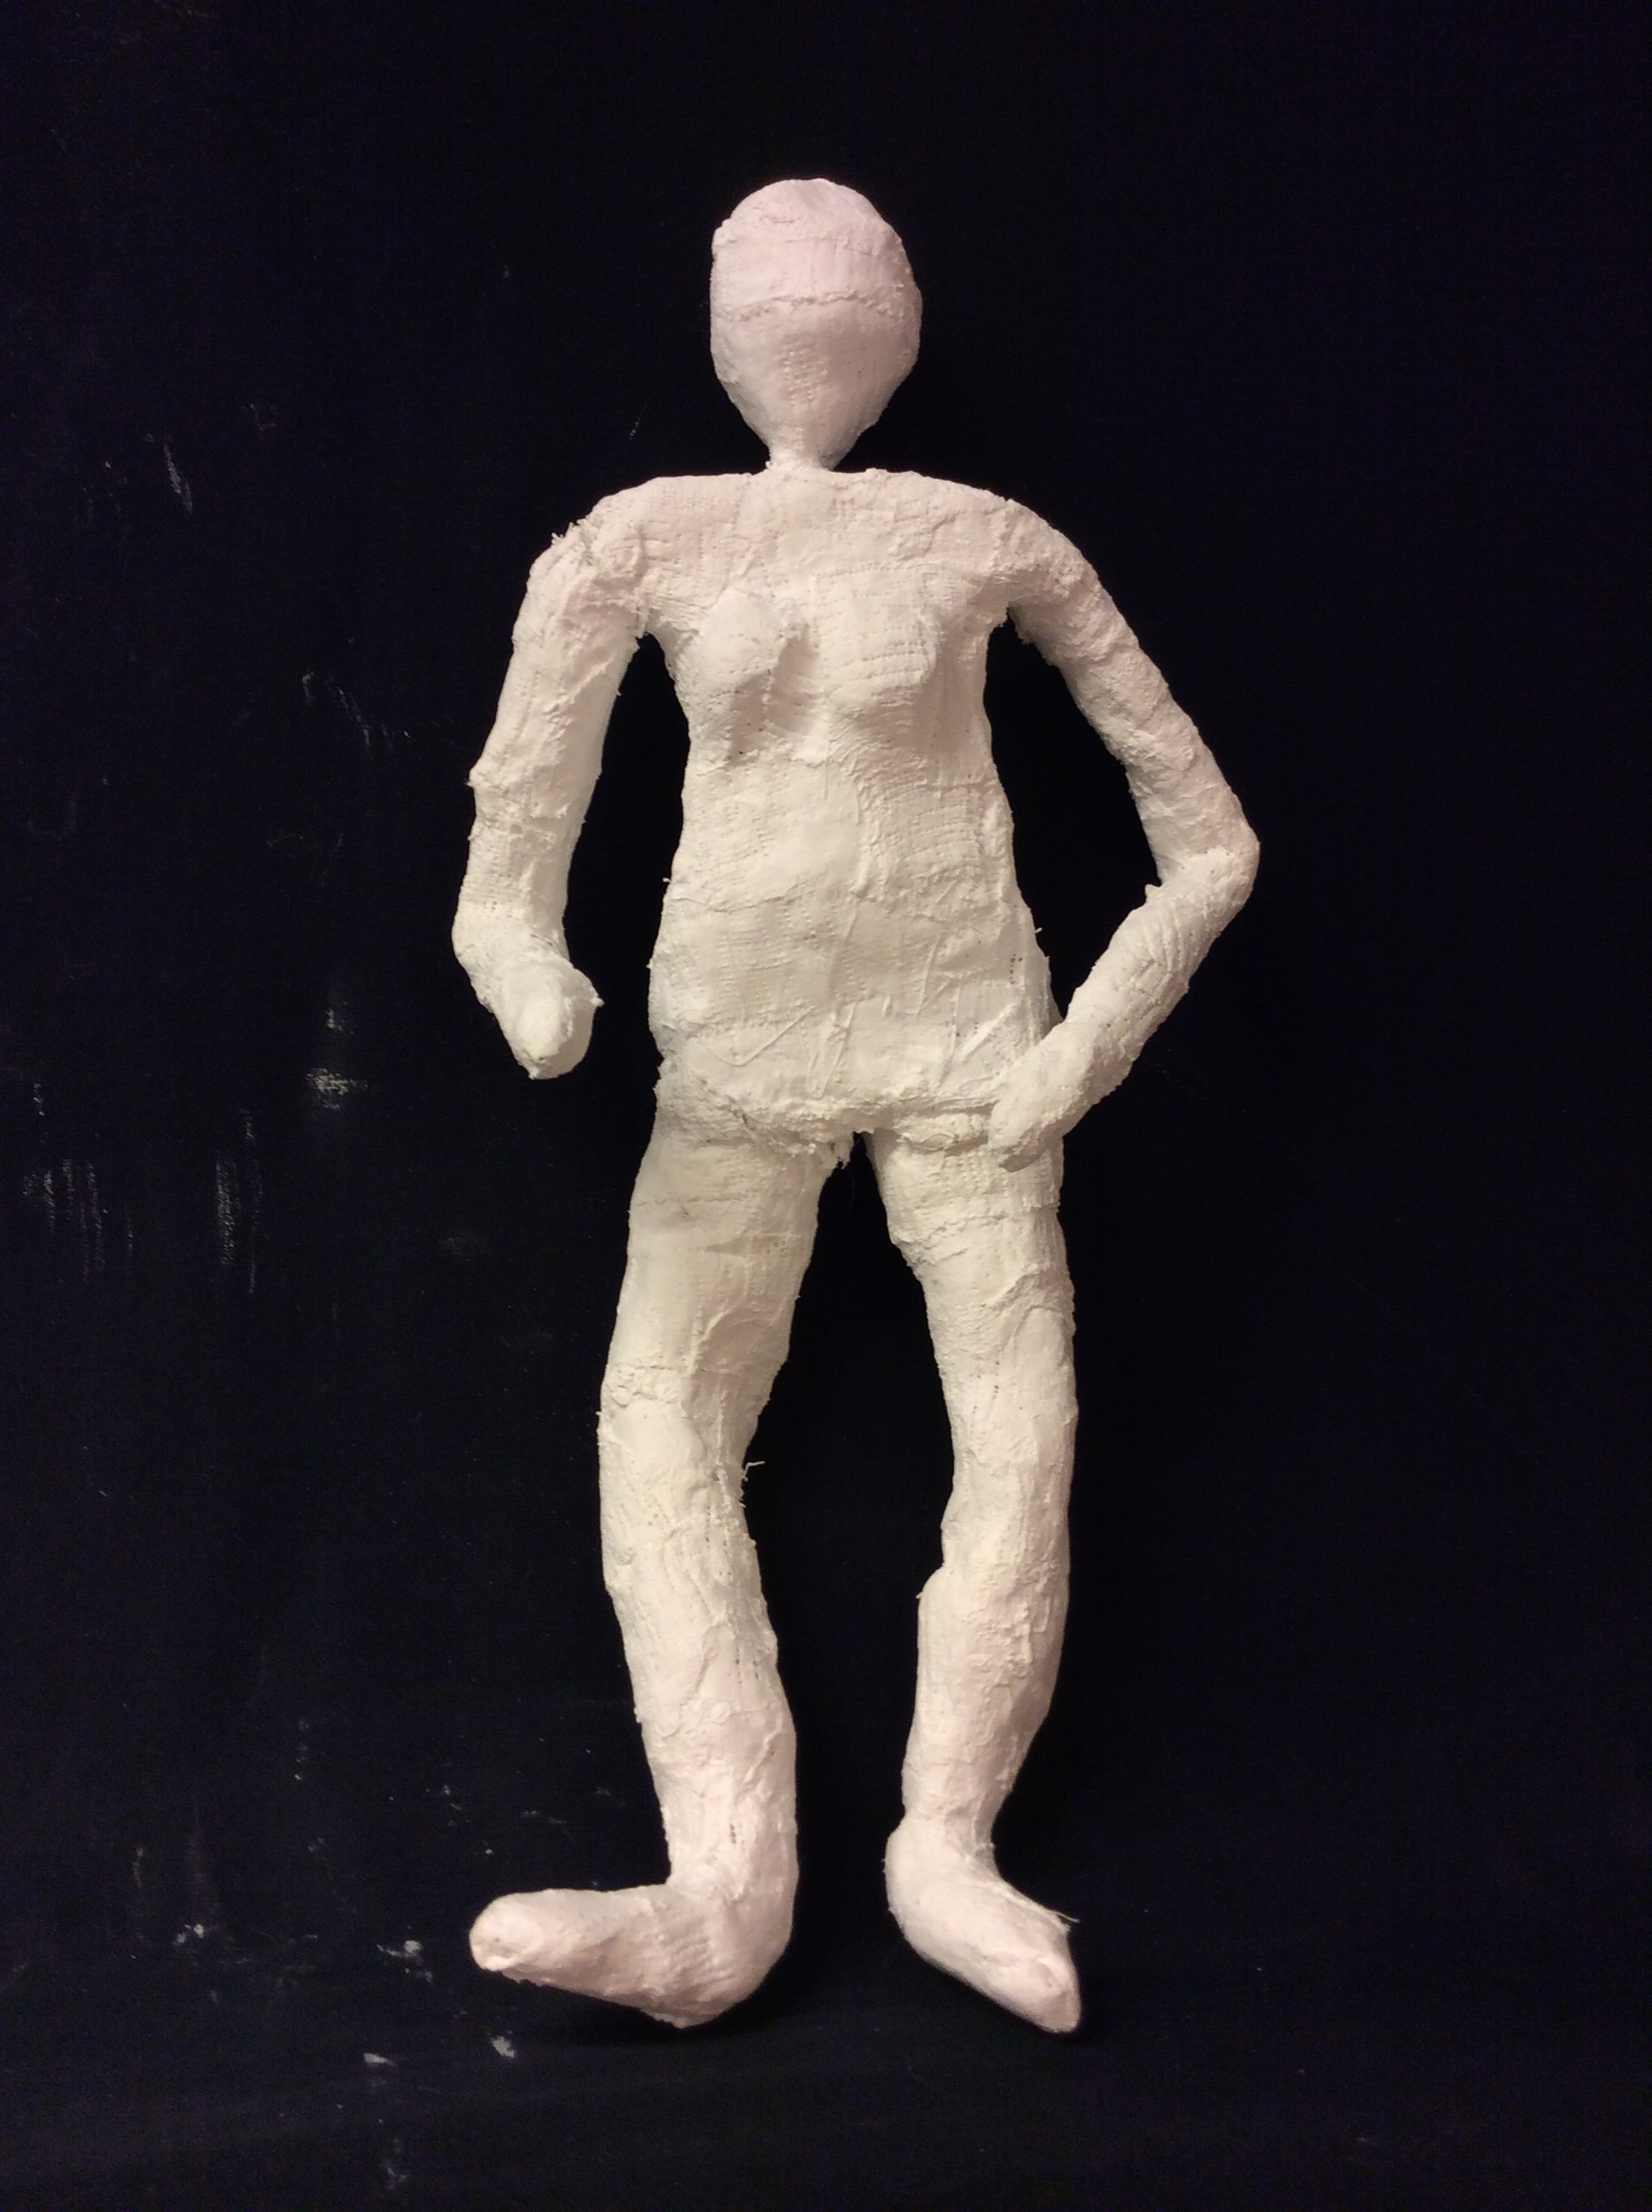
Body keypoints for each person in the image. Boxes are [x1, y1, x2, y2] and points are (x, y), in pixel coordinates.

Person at [454, 179, 1257, 2033]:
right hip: (733, 1060)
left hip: (973, 1058)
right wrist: (530, 981)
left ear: (897, 324)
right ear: (718, 328)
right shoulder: (639, 540)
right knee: (659, 1422)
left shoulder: (986, 538)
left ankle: (947, 1845)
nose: (805, 310)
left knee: (1021, 1432)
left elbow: (1208, 842)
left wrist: (1082, 1049)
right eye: (767, 286)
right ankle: (723, 1888)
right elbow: (507, 855)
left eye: (847, 283)